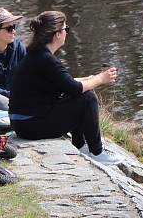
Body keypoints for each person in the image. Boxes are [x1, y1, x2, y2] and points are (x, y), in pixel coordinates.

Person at [8, 10, 120, 164]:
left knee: (81, 93)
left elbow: (64, 83)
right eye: (66, 29)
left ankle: (80, 145)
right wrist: (101, 78)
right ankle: (97, 151)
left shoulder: (37, 54)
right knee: (87, 97)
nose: (67, 33)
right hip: (31, 126)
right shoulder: (46, 59)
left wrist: (90, 79)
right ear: (57, 34)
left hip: (23, 124)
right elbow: (74, 88)